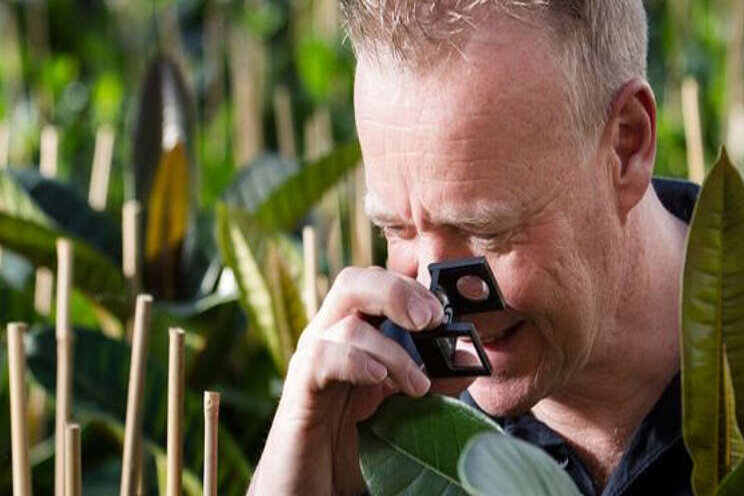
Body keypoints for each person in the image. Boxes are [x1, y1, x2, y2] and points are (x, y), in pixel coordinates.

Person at [248, 1, 696, 494]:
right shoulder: (377, 397)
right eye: (397, 230)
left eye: (486, 231)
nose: (438, 307)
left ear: (625, 148)